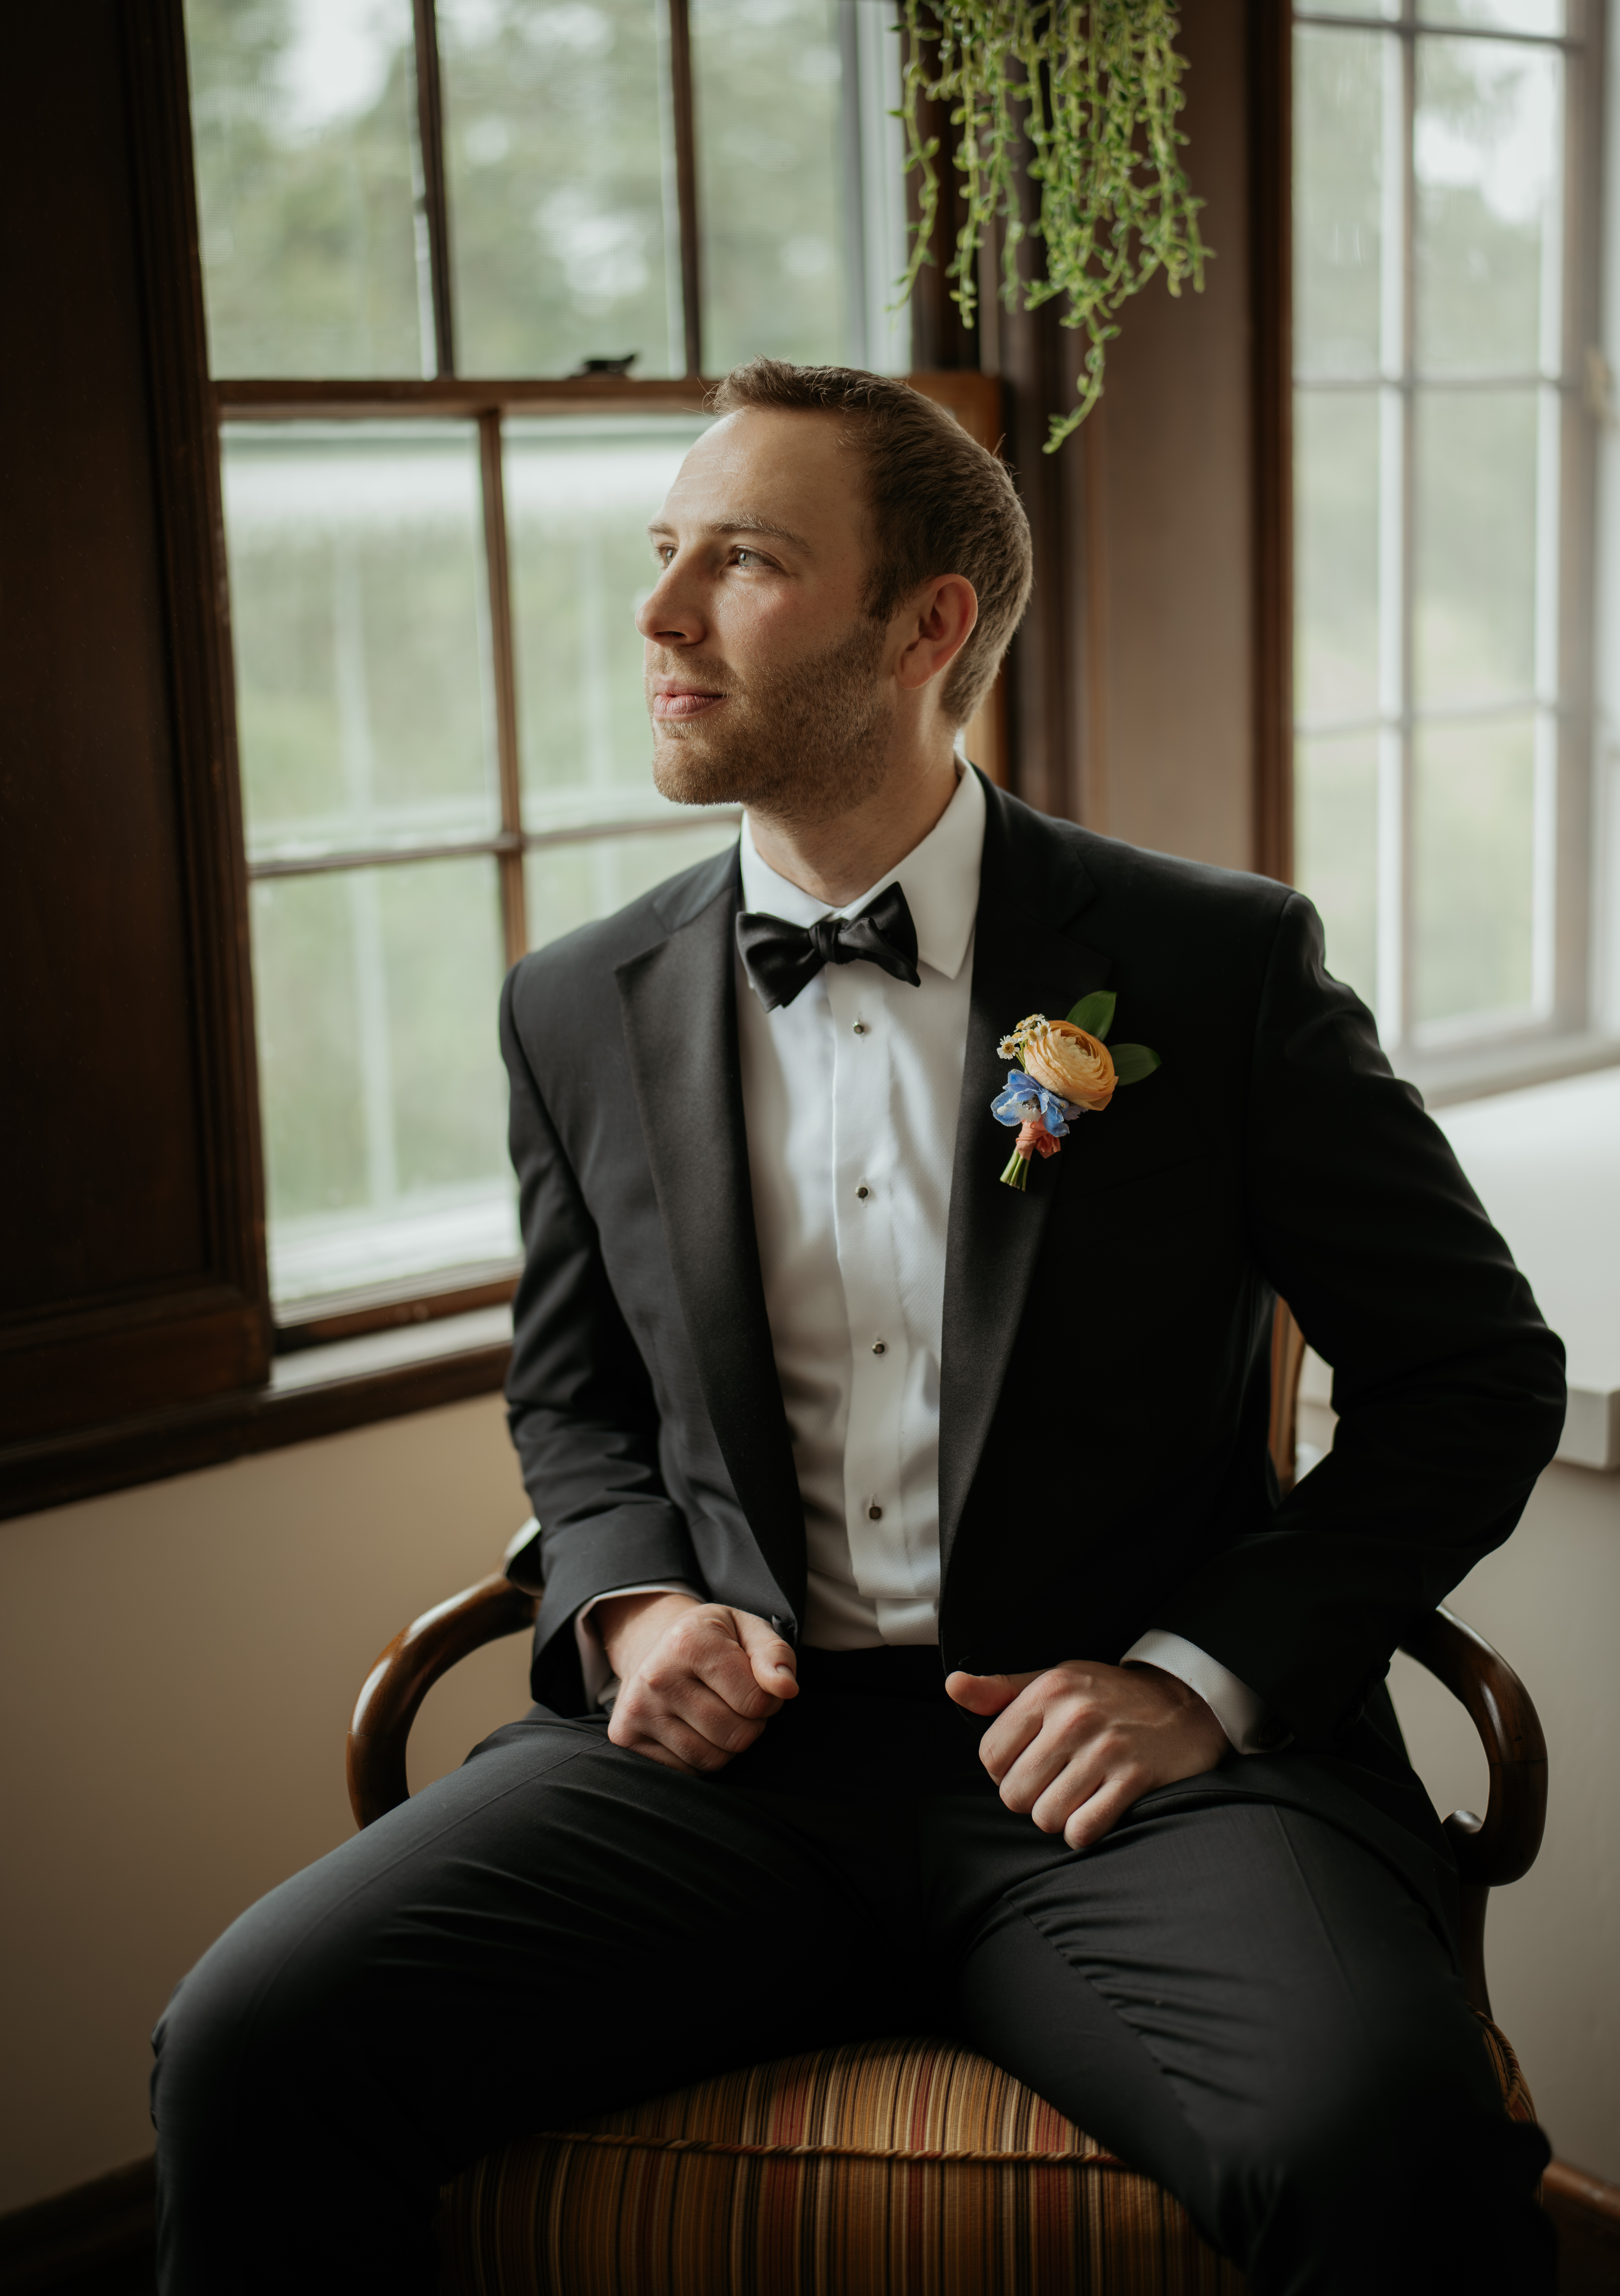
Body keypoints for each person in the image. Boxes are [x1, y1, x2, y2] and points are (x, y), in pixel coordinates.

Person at [152, 362, 1564, 2294]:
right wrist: (633, 1606)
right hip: (724, 1786)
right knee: (247, 2051)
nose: (657, 616)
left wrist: (1202, 1674)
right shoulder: (574, 1005)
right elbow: (572, 1400)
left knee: (1380, 2143)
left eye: (740, 563)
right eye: (664, 556)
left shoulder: (1212, 968)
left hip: (1128, 1782)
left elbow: (1473, 1374)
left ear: (929, 625)